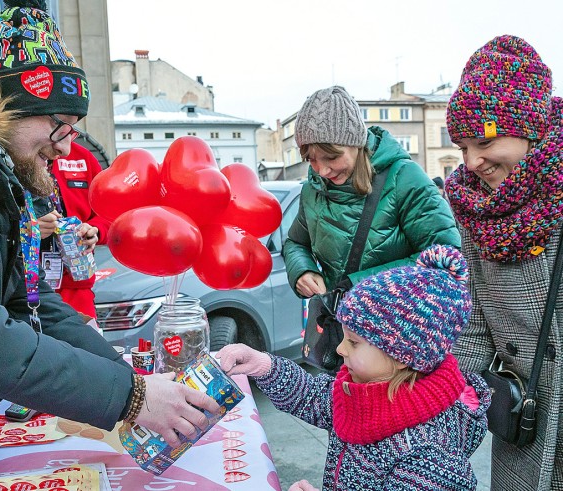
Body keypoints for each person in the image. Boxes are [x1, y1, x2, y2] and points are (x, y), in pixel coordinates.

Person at [0, 3, 219, 489]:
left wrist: (114, 370)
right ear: (8, 107)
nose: (66, 147)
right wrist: (131, 396)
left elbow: (24, 302)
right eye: (61, 125)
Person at [218, 245, 490, 491]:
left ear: (401, 356)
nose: (340, 349)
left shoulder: (428, 459)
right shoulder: (365, 388)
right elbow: (315, 397)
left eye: (354, 342)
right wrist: (264, 366)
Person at [445, 35, 563, 490]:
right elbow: (475, 321)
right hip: (524, 424)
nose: (472, 161)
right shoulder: (473, 206)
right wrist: (447, 416)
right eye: (462, 147)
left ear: (528, 130)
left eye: (482, 142)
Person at [283, 86, 460, 369]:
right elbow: (295, 243)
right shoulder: (312, 190)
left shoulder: (404, 178)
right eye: (312, 159)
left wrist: (361, 283)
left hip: (396, 347)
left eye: (331, 157)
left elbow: (446, 257)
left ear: (356, 142)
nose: (322, 170)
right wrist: (302, 270)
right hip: (341, 338)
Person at [35, 141, 110, 320]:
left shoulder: (83, 157)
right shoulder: (16, 153)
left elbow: (109, 214)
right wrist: (27, 228)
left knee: (84, 345)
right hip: (25, 290)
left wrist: (95, 231)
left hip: (76, 286)